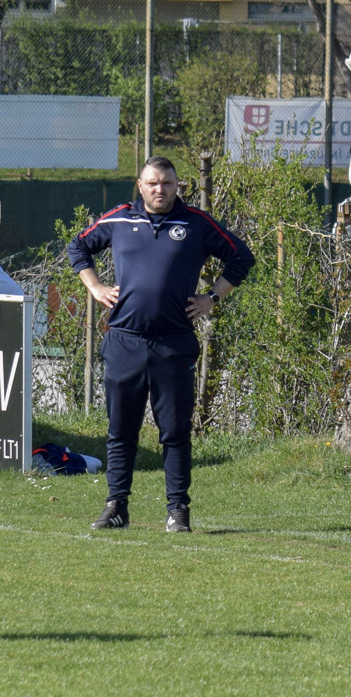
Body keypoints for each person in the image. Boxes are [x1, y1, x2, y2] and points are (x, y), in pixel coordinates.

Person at [67, 156, 256, 533]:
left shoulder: (195, 223)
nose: (160, 189)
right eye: (152, 183)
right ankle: (116, 507)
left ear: (176, 186)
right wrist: (96, 287)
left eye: (167, 183)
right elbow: (78, 247)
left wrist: (212, 298)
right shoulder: (120, 218)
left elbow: (241, 257)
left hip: (173, 345)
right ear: (140, 185)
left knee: (175, 431)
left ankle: (177, 510)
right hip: (124, 342)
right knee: (121, 432)